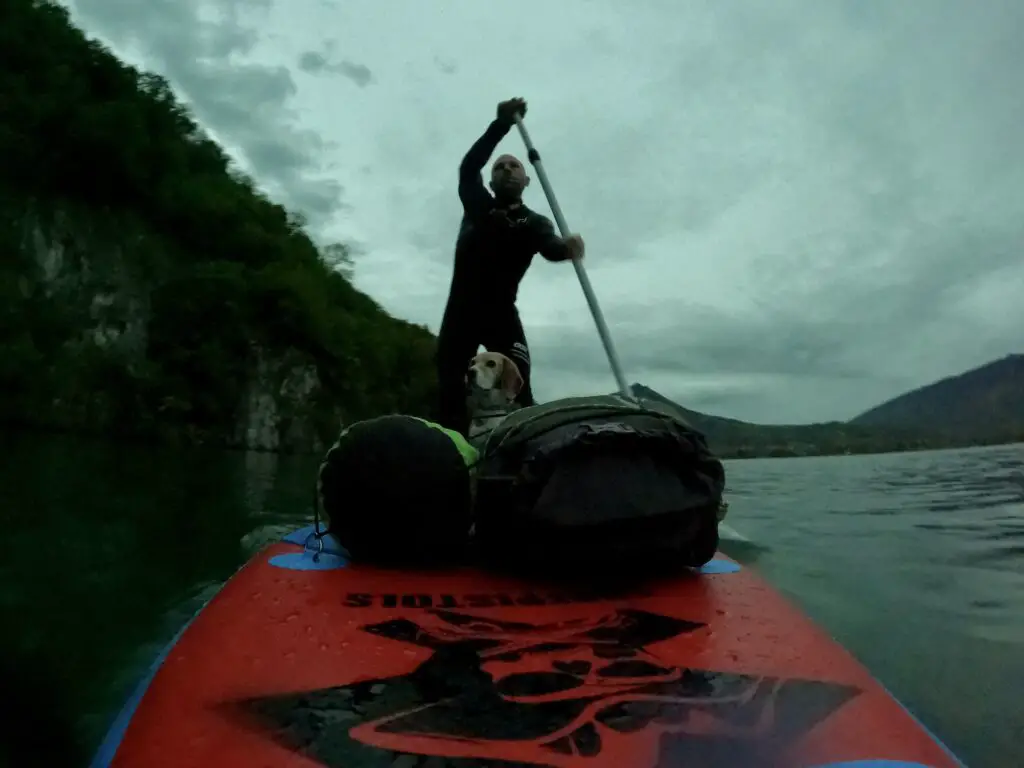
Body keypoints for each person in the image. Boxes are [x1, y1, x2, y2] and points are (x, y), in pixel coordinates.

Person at [435, 97, 585, 436]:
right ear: (490, 183)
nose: (506, 170)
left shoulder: (534, 223)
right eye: (500, 167)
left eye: (513, 166)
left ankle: (525, 449)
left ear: (526, 180)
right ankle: (452, 453)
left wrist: (567, 248)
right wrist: (501, 125)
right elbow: (468, 168)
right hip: (461, 312)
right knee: (450, 388)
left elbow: (551, 248)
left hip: (501, 313)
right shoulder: (477, 206)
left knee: (521, 385)